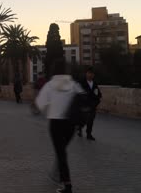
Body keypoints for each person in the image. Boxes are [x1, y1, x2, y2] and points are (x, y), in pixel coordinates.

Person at [36, 59, 84, 193]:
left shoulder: (50, 85)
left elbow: (39, 105)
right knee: (62, 152)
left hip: (56, 123)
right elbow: (83, 99)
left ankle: (66, 184)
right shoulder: (74, 85)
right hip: (71, 124)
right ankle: (57, 174)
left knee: (61, 153)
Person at [77, 67, 102, 141]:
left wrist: (97, 99)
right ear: (86, 74)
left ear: (93, 75)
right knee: (84, 120)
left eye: (92, 73)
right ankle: (79, 129)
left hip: (92, 105)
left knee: (91, 120)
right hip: (84, 105)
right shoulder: (81, 82)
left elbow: (98, 94)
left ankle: (89, 134)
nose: (90, 75)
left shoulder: (94, 83)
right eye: (89, 73)